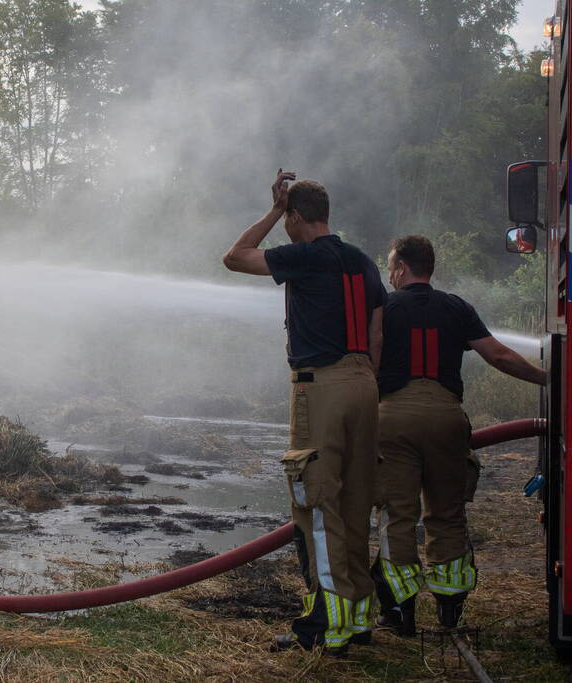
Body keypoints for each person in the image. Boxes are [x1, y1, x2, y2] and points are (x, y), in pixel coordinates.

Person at [223, 171, 385, 656]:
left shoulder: (305, 255)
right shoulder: (363, 262)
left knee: (316, 503)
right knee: (356, 503)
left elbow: (235, 257)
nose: (286, 228)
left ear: (296, 217)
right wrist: (363, 380)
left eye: (287, 219)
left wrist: (272, 210)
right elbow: (377, 335)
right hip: (365, 385)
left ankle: (325, 624)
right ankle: (357, 618)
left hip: (321, 388)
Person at [372, 235, 546, 634]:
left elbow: (367, 358)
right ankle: (450, 611)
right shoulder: (457, 307)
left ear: (401, 268)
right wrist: (548, 379)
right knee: (447, 515)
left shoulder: (384, 306)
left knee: (397, 517)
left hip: (394, 419)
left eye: (391, 267)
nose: (389, 274)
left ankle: (399, 613)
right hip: (447, 419)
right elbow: (499, 355)